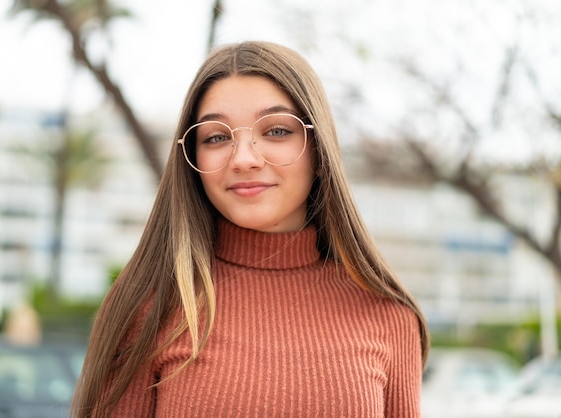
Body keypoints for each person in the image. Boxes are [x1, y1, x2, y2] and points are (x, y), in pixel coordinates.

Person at [71, 40, 430, 417]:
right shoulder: (150, 303)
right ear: (192, 157)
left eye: (276, 131)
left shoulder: (388, 315)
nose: (243, 159)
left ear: (319, 149)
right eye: (217, 137)